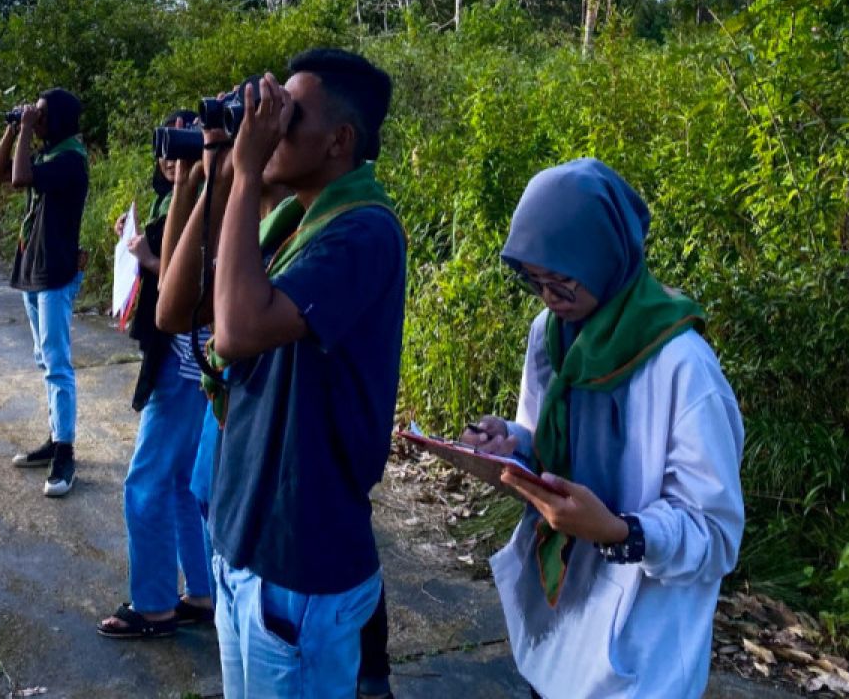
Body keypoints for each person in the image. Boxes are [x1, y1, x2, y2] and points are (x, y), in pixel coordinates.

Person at [462, 158, 745, 699]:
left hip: (641, 660)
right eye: (534, 280)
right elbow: (543, 437)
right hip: (560, 632)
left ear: (606, 257)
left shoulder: (682, 365)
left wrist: (619, 532)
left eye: (562, 280)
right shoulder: (552, 333)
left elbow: (715, 535)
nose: (549, 296)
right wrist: (510, 447)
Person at [208, 49, 406, 699]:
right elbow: (188, 307)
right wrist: (224, 171)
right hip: (247, 544)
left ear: (338, 142)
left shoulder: (363, 233)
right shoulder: (294, 219)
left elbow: (236, 331)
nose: (269, 128)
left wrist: (244, 174)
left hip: (298, 564)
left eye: (287, 118)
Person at [96, 110, 214, 638]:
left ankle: (154, 605)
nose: (172, 157)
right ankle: (201, 592)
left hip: (187, 361)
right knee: (185, 484)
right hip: (185, 359)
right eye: (166, 144)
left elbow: (188, 288)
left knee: (145, 481)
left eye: (186, 142)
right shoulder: (178, 200)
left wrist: (146, 256)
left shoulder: (213, 199)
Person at [0, 88, 88, 498]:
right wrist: (14, 132)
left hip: (56, 270)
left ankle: (65, 452)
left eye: (44, 114)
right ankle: (54, 437)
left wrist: (27, 127)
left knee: (57, 362)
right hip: (33, 264)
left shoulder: (70, 159)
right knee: (42, 359)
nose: (38, 119)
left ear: (61, 119)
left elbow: (20, 178)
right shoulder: (49, 154)